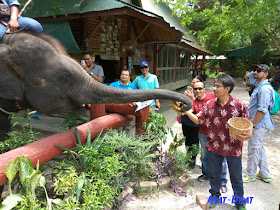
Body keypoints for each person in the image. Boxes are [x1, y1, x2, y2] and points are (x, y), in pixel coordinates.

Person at [184, 74, 252, 210]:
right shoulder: (209, 104)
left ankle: (240, 202)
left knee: (236, 178)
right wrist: (186, 111)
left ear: (227, 88)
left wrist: (247, 136)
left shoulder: (239, 105)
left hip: (233, 148)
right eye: (214, 86)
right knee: (214, 175)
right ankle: (214, 196)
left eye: (218, 86)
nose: (214, 88)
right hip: (214, 147)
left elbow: (248, 128)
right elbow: (198, 120)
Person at [191, 81, 228, 193]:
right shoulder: (194, 102)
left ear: (204, 89)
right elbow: (193, 116)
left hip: (217, 132)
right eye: (195, 89)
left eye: (200, 88)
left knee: (221, 156)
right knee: (204, 155)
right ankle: (206, 174)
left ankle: (222, 182)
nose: (198, 91)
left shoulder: (213, 97)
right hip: (203, 132)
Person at [243, 64, 274, 184]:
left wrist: (252, 124)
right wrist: (253, 74)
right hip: (258, 123)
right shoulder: (259, 85)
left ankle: (250, 174)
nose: (255, 73)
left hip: (259, 124)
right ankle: (264, 174)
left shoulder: (265, 89)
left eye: (259, 71)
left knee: (253, 148)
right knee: (259, 148)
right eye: (254, 70)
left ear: (266, 74)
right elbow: (248, 77)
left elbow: (262, 110)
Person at [181, 76, 203, 169]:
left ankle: (193, 159)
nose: (194, 84)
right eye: (193, 82)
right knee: (187, 140)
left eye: (196, 82)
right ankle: (187, 156)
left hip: (195, 123)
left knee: (195, 142)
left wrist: (192, 98)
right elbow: (181, 105)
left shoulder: (201, 95)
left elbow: (200, 109)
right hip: (186, 121)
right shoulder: (186, 92)